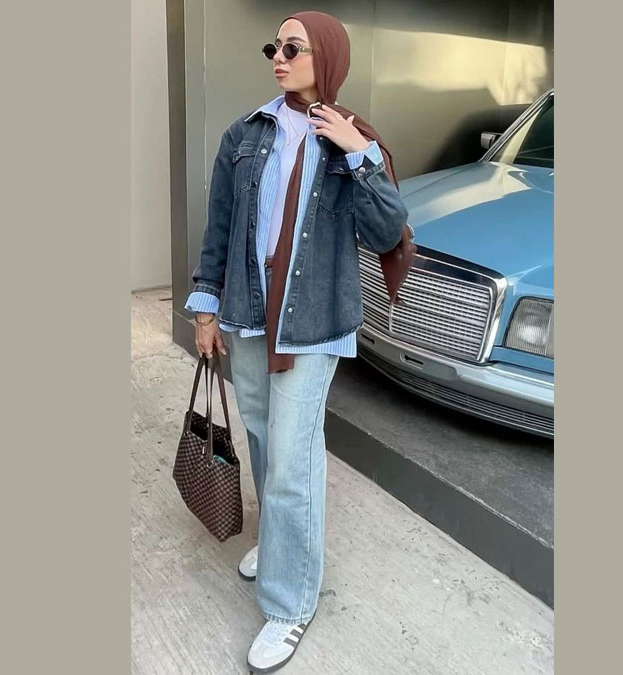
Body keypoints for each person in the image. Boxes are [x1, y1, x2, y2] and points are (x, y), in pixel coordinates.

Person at [183, 10, 410, 674]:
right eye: (273, 48)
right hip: (249, 313)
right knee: (262, 436)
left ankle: (288, 605)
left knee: (291, 458)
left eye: (293, 48)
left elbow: (387, 231)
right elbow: (220, 227)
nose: (278, 58)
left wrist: (358, 154)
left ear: (327, 56)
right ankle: (284, 545)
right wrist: (205, 307)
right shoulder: (244, 135)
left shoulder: (351, 138)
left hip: (312, 323)